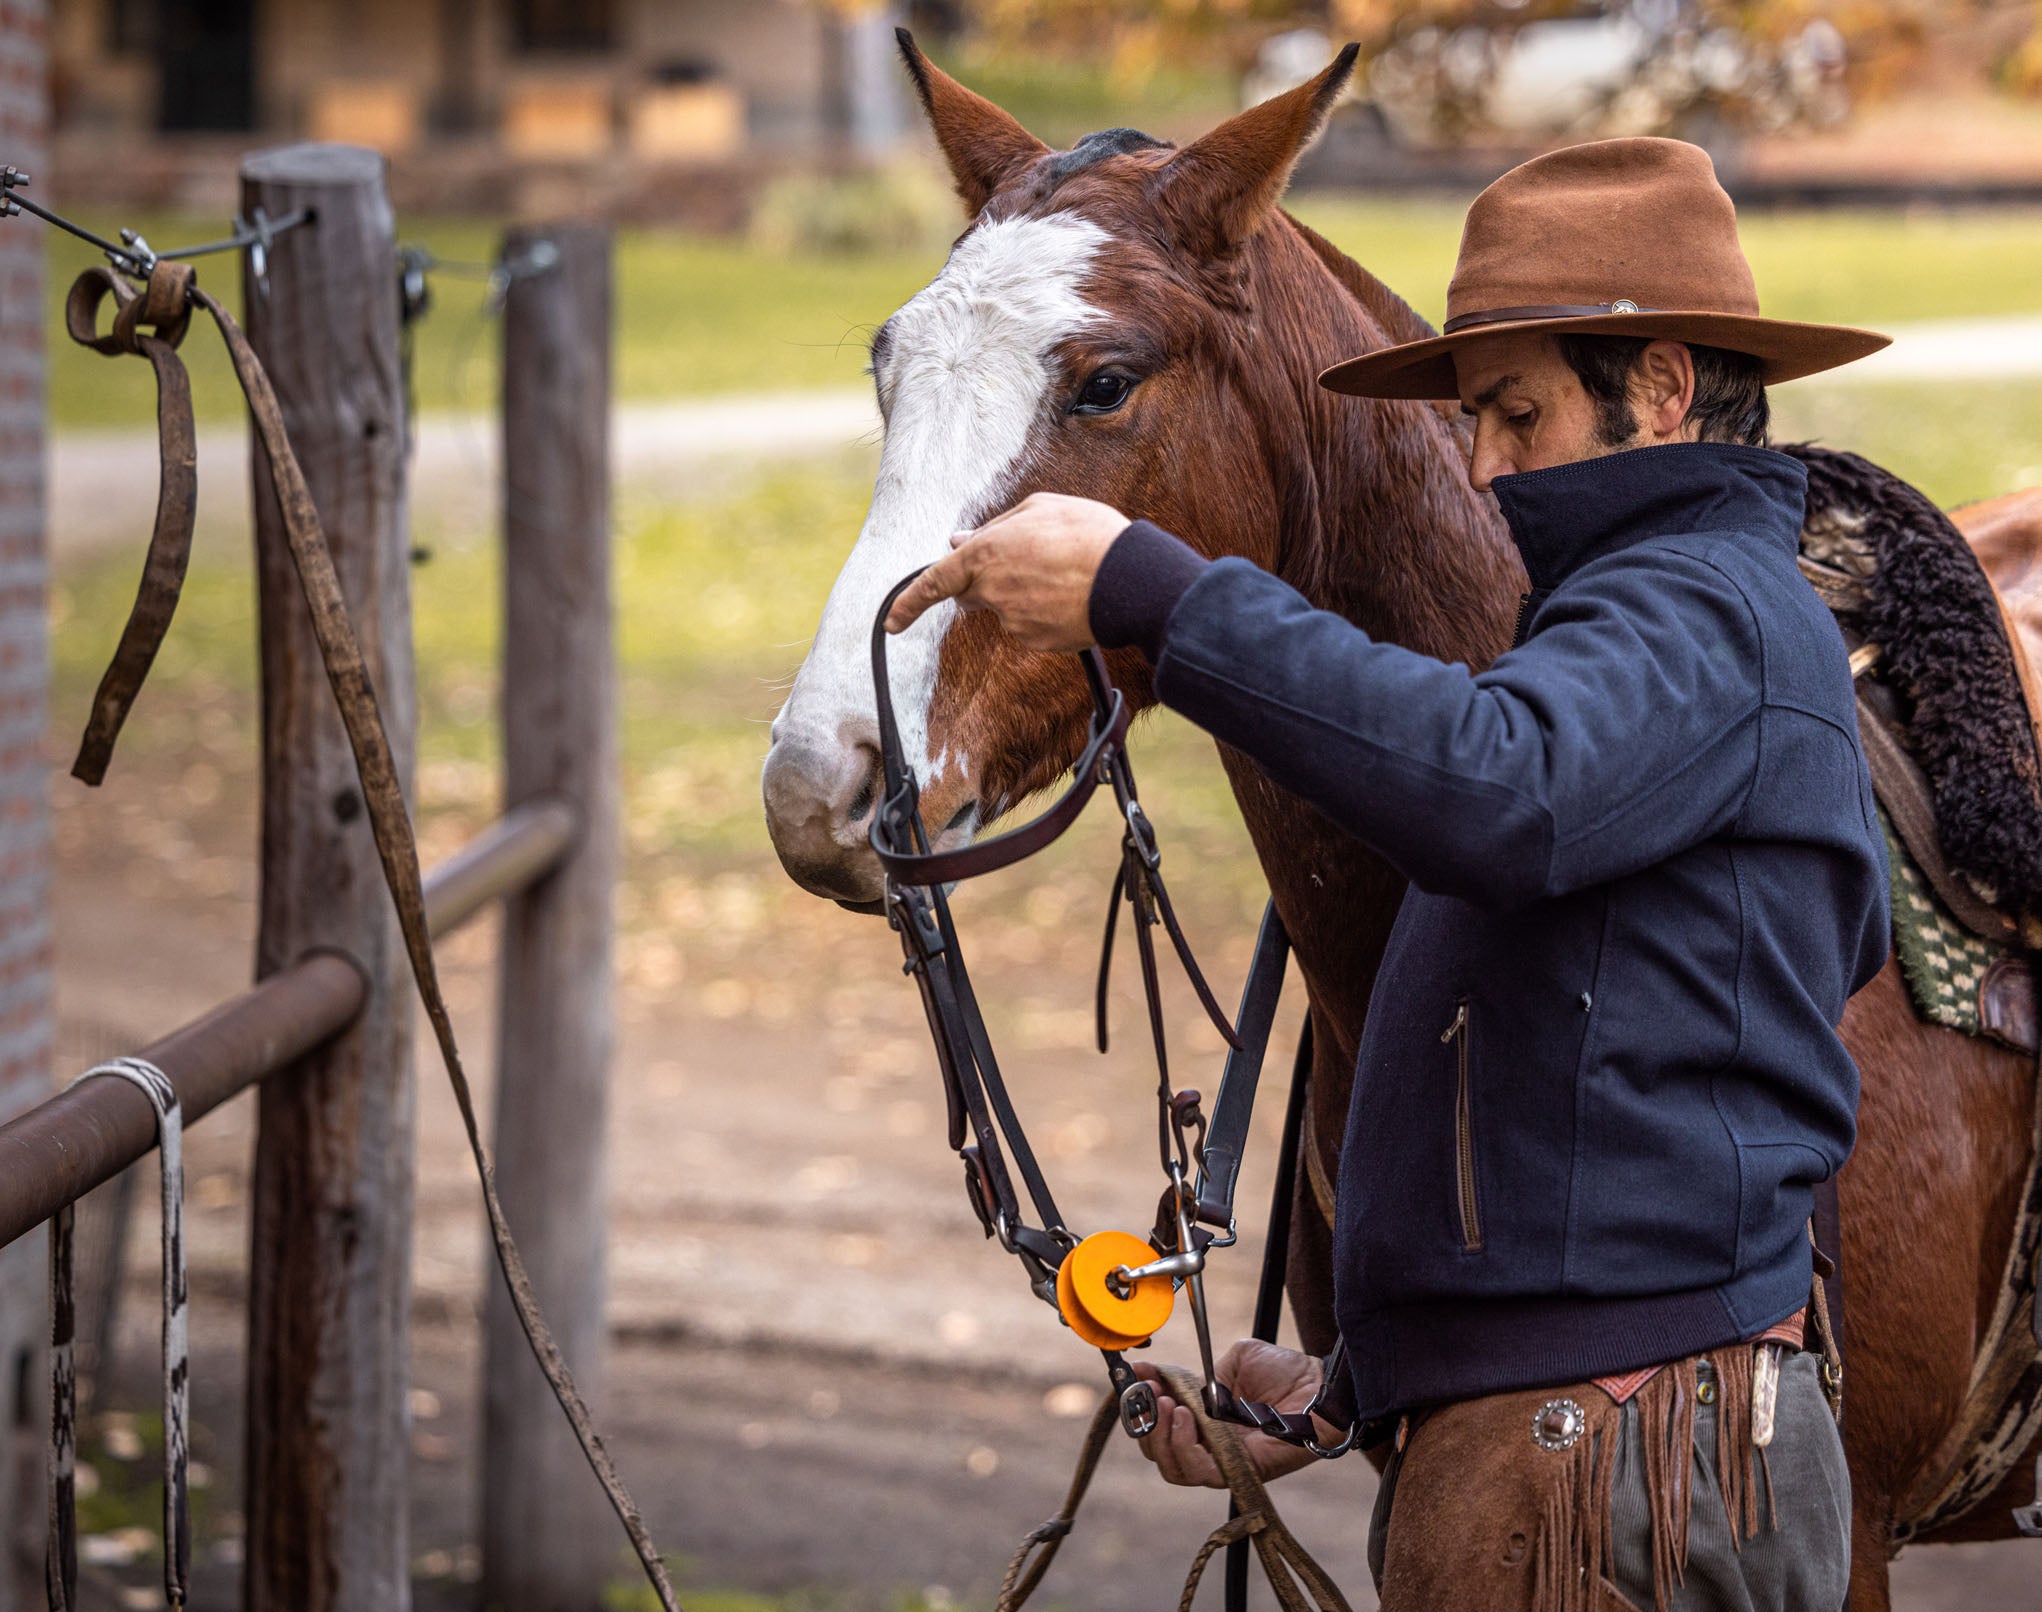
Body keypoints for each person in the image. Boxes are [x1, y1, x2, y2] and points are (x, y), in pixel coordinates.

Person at [884, 137, 1891, 1611]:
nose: (1480, 467)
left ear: (1662, 390)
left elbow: (1496, 789)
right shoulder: (1657, 627)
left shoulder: (1705, 610)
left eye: (1515, 412)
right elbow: (1624, 1077)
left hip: (1602, 1461)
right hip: (1577, 1439)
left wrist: (1147, 588)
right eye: (1473, 418)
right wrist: (1357, 1387)